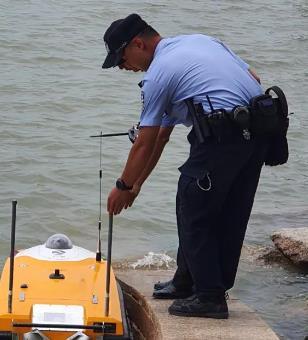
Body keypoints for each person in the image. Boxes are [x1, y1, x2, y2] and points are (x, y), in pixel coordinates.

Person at [101, 13, 269, 319]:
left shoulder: (158, 74)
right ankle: (188, 282)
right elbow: (253, 77)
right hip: (258, 134)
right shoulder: (200, 42)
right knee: (227, 212)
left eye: (121, 59)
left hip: (223, 136)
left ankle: (209, 297)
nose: (123, 68)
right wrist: (137, 184)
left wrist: (123, 186)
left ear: (138, 43)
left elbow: (144, 142)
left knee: (193, 205)